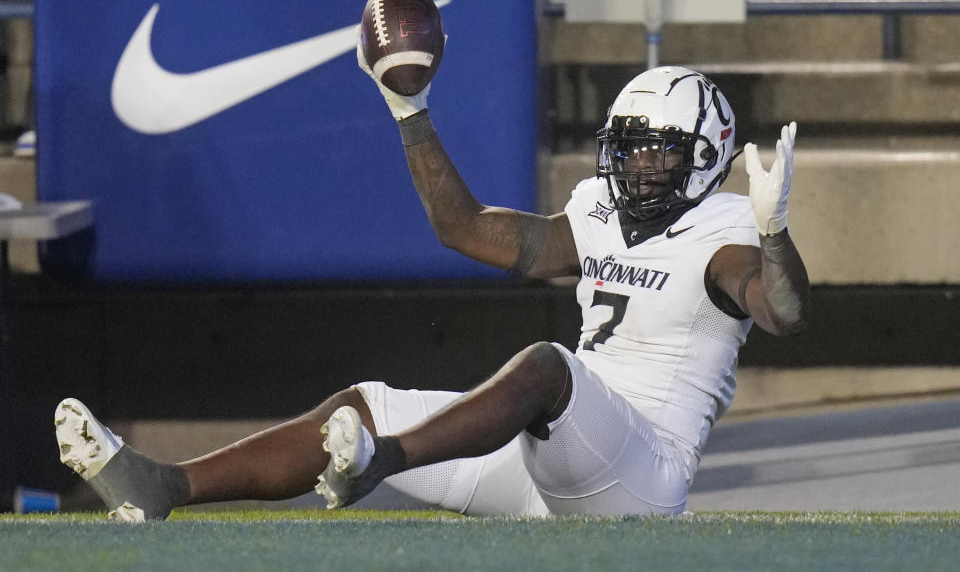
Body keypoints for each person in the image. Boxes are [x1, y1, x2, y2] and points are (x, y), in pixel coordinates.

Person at [54, 44, 809, 521]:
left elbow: (782, 312)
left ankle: (378, 465)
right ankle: (164, 486)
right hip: (551, 463)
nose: (639, 166)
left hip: (639, 476)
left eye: (659, 153)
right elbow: (466, 228)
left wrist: (775, 235)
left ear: (707, 156)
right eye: (631, 149)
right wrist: (409, 110)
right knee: (364, 405)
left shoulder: (728, 231)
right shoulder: (599, 213)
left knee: (549, 365)